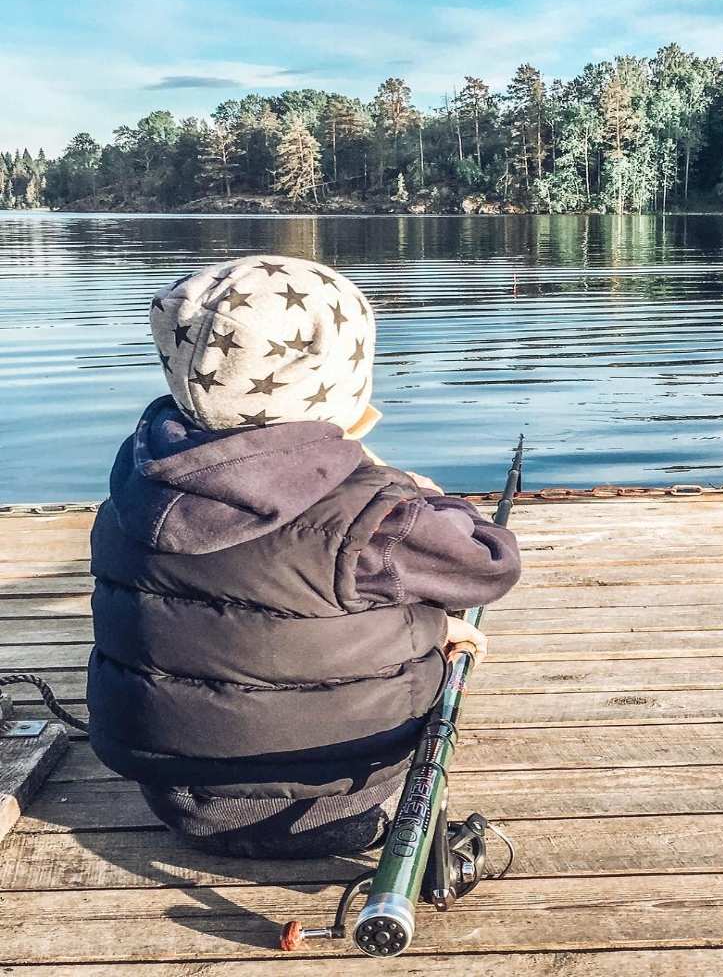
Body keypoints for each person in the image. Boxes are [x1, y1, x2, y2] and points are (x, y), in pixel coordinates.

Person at [86, 254, 521, 858]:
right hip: (336, 787)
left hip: (170, 784)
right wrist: (431, 499)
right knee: (406, 599)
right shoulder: (375, 515)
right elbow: (489, 564)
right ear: (342, 382)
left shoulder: (137, 486)